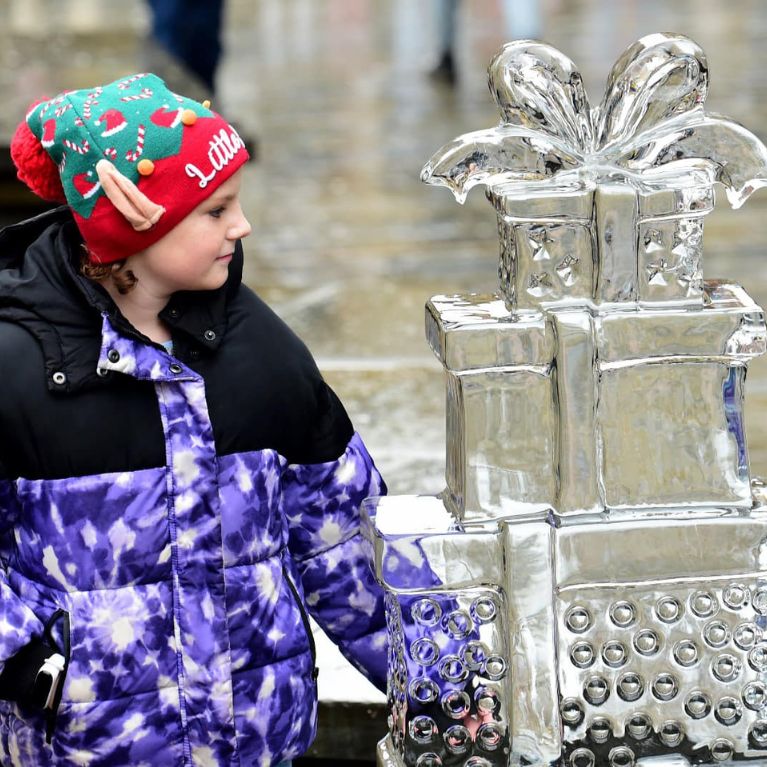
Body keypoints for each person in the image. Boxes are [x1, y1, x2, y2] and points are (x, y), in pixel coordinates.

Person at [0, 73, 387, 766]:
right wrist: (28, 654)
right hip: (86, 745)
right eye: (215, 210)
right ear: (133, 220)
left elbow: (346, 542)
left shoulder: (263, 353)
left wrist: (444, 684)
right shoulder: (16, 366)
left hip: (257, 741)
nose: (241, 226)